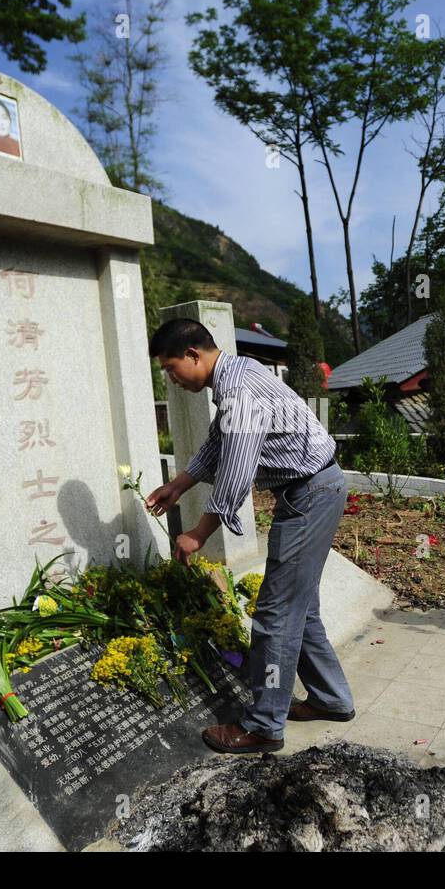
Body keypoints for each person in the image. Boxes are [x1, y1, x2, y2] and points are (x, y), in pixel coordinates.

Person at [144, 319, 355, 753]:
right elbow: (219, 444)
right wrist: (180, 483)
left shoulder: (239, 392)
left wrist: (199, 533)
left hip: (309, 494)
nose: (170, 379)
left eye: (170, 369)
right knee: (300, 603)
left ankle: (262, 727)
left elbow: (236, 472)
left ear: (193, 356)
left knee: (275, 613)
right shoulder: (240, 374)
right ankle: (331, 698)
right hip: (318, 487)